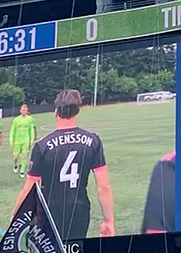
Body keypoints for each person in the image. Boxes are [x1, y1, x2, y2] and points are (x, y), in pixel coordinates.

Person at [14, 89, 115, 241]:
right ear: (77, 111)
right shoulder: (92, 140)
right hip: (79, 210)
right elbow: (103, 187)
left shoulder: (42, 145)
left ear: (56, 112)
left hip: (49, 212)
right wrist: (108, 220)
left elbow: (29, 188)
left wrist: (15, 217)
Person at [8, 105, 38, 177]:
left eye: (25, 110)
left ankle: (22, 171)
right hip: (17, 140)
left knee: (24, 155)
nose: (24, 111)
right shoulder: (16, 120)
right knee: (16, 156)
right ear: (20, 110)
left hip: (26, 140)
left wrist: (32, 139)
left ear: (27, 111)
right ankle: (15, 165)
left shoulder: (30, 119)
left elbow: (31, 129)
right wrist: (11, 140)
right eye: (23, 110)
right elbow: (12, 130)